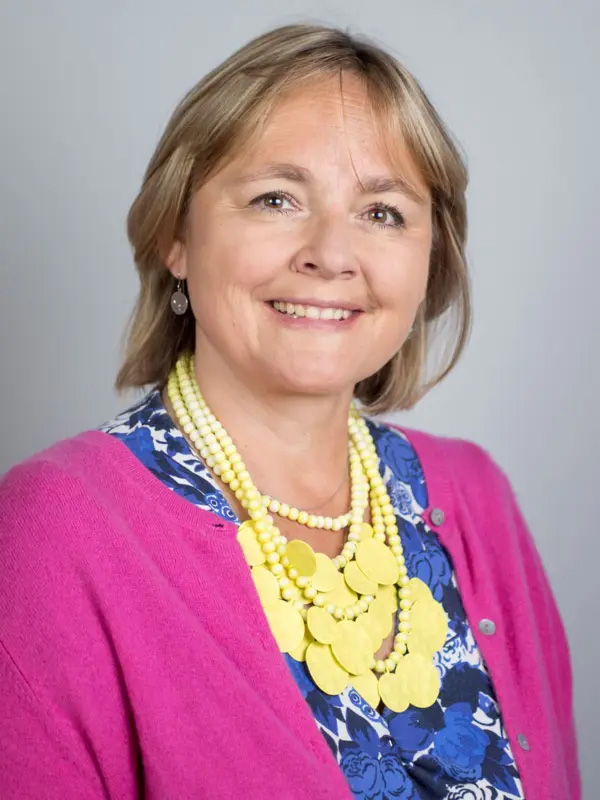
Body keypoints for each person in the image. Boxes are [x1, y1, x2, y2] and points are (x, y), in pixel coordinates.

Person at [0, 23, 579, 800]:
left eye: (382, 212)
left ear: (429, 257)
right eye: (277, 199)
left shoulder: (477, 500)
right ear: (177, 234)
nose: (331, 255)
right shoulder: (56, 530)